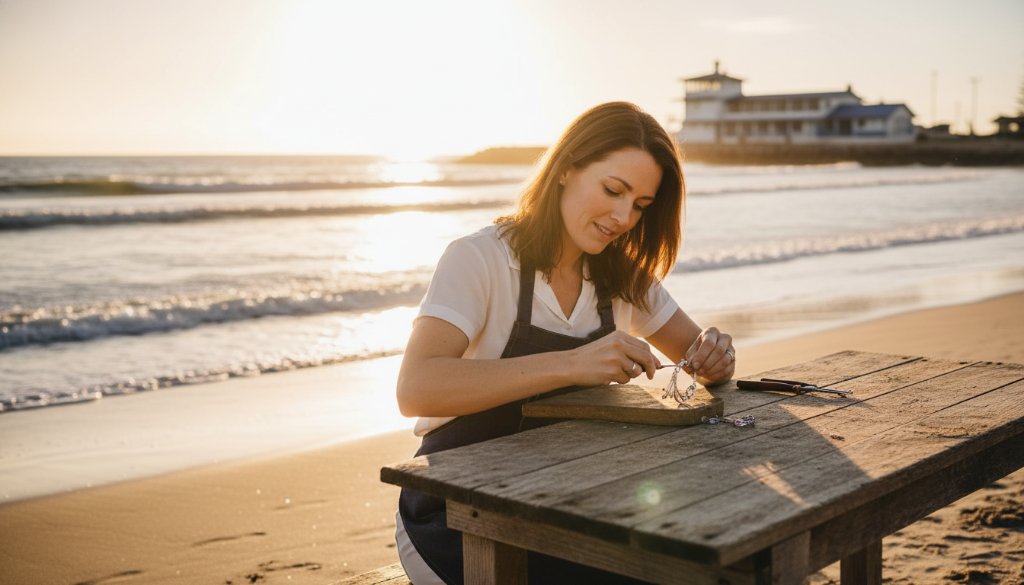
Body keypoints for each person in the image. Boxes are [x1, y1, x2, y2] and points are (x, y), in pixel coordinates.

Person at [394, 101, 735, 584]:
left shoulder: (623, 276)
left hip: (574, 497)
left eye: (640, 205)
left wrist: (717, 356)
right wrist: (574, 364)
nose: (622, 217)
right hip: (456, 512)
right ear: (566, 168)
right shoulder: (479, 259)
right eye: (613, 190)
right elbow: (416, 387)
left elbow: (698, 353)